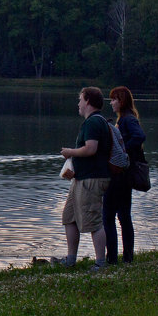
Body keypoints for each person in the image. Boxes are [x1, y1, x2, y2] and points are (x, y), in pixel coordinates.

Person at [56, 86, 113, 270]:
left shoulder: (94, 123)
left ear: (88, 101)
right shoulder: (93, 123)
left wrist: (69, 152)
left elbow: (91, 149)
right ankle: (70, 259)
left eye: (80, 100)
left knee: (94, 221)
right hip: (81, 178)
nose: (78, 104)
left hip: (92, 180)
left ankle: (100, 263)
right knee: (69, 217)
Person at [103, 86, 146, 264]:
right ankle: (127, 258)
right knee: (123, 216)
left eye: (113, 99)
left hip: (120, 176)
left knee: (108, 216)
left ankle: (112, 258)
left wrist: (122, 150)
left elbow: (140, 136)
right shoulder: (124, 120)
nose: (111, 102)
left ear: (121, 101)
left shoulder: (128, 120)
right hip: (124, 176)